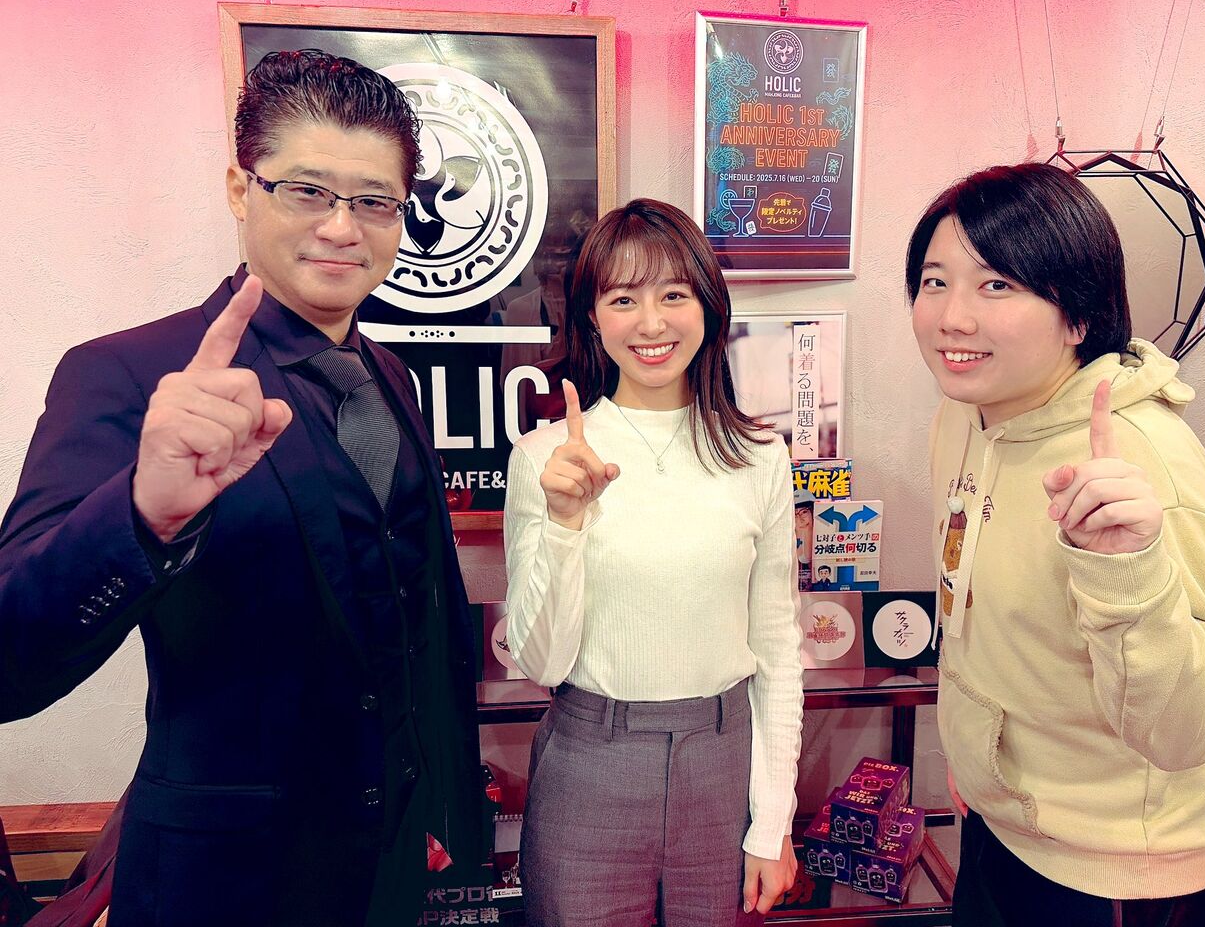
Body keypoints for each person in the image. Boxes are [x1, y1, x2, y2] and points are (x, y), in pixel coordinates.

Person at [0, 49, 486, 927]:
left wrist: (436, 809)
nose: (341, 227)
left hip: (389, 876)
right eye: (307, 190)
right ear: (240, 189)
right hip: (223, 885)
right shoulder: (128, 373)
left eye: (374, 201)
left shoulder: (393, 379)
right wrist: (142, 516)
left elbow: (415, 626)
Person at [906, 162, 1205, 927]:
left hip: (1127, 869)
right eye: (935, 282)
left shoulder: (1141, 461)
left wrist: (1126, 573)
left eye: (996, 285)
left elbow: (1192, 729)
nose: (952, 317)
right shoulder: (965, 414)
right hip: (1009, 824)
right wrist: (976, 766)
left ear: (1077, 316)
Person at [503, 199, 804, 926]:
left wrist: (772, 824)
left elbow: (777, 649)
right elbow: (540, 662)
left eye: (673, 295)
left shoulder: (760, 456)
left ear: (708, 307)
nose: (651, 323)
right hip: (589, 765)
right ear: (592, 317)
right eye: (623, 299)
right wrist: (566, 524)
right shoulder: (544, 457)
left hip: (722, 764)